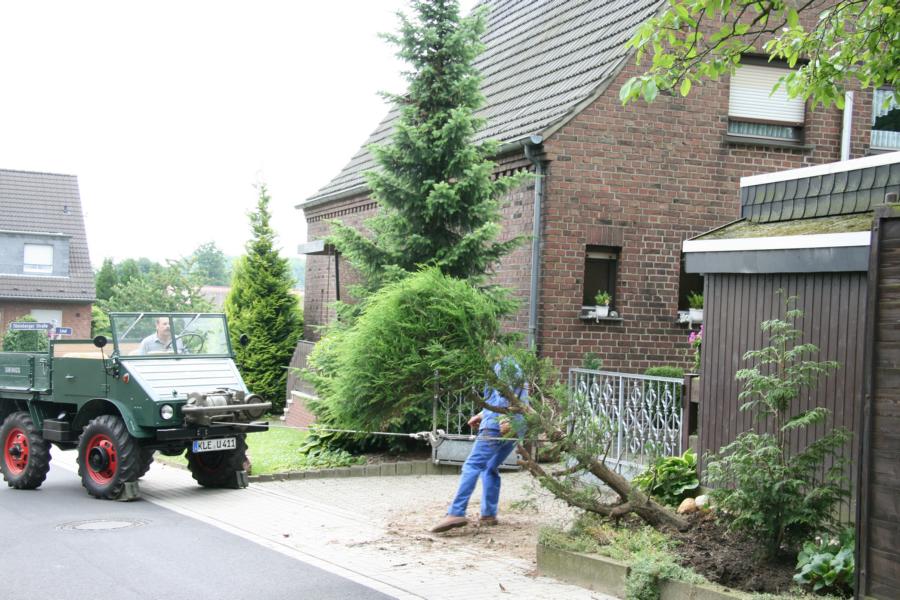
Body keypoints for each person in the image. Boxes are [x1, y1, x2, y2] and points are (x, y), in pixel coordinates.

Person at [430, 360, 527, 533]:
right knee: (489, 467)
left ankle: (456, 512)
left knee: (472, 465)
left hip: (498, 425)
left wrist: (503, 419)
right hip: (517, 426)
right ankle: (488, 514)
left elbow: (506, 393)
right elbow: (503, 397)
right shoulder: (512, 363)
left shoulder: (502, 365)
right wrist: (482, 414)